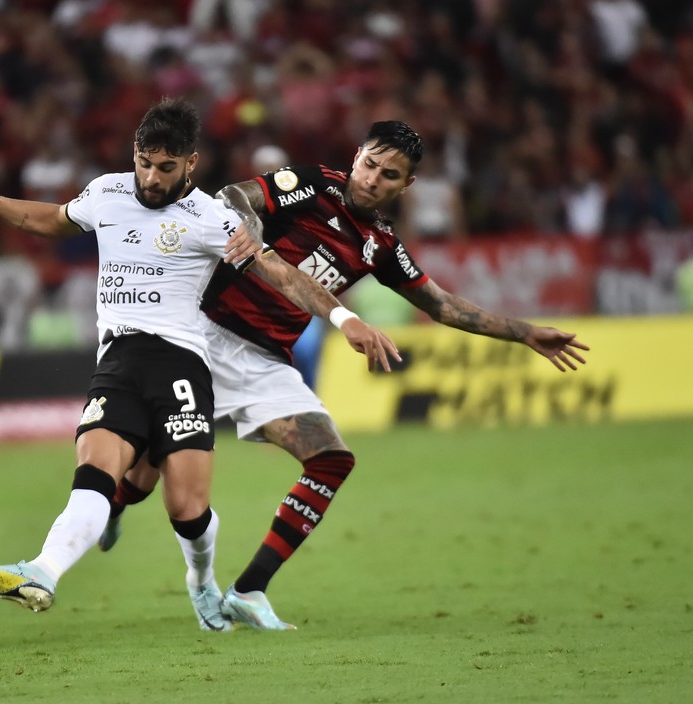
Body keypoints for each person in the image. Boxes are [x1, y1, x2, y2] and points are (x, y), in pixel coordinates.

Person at [0, 98, 398, 631]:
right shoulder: (107, 192)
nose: (150, 177)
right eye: (144, 162)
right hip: (119, 360)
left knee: (186, 509)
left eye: (166, 167)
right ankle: (42, 572)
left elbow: (280, 272)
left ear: (191, 163)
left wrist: (345, 319)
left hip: (183, 365)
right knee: (93, 477)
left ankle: (202, 582)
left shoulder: (213, 218)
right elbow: (47, 219)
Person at [102, 120, 591, 630]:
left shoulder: (381, 243)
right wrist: (255, 236)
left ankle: (248, 589)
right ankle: (112, 506)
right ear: (357, 156)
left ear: (406, 185)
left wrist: (524, 332)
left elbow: (442, 305)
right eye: (370, 164)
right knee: (144, 472)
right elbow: (234, 195)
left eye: (389, 175)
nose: (373, 179)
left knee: (331, 459)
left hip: (262, 359)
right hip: (200, 334)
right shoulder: (313, 184)